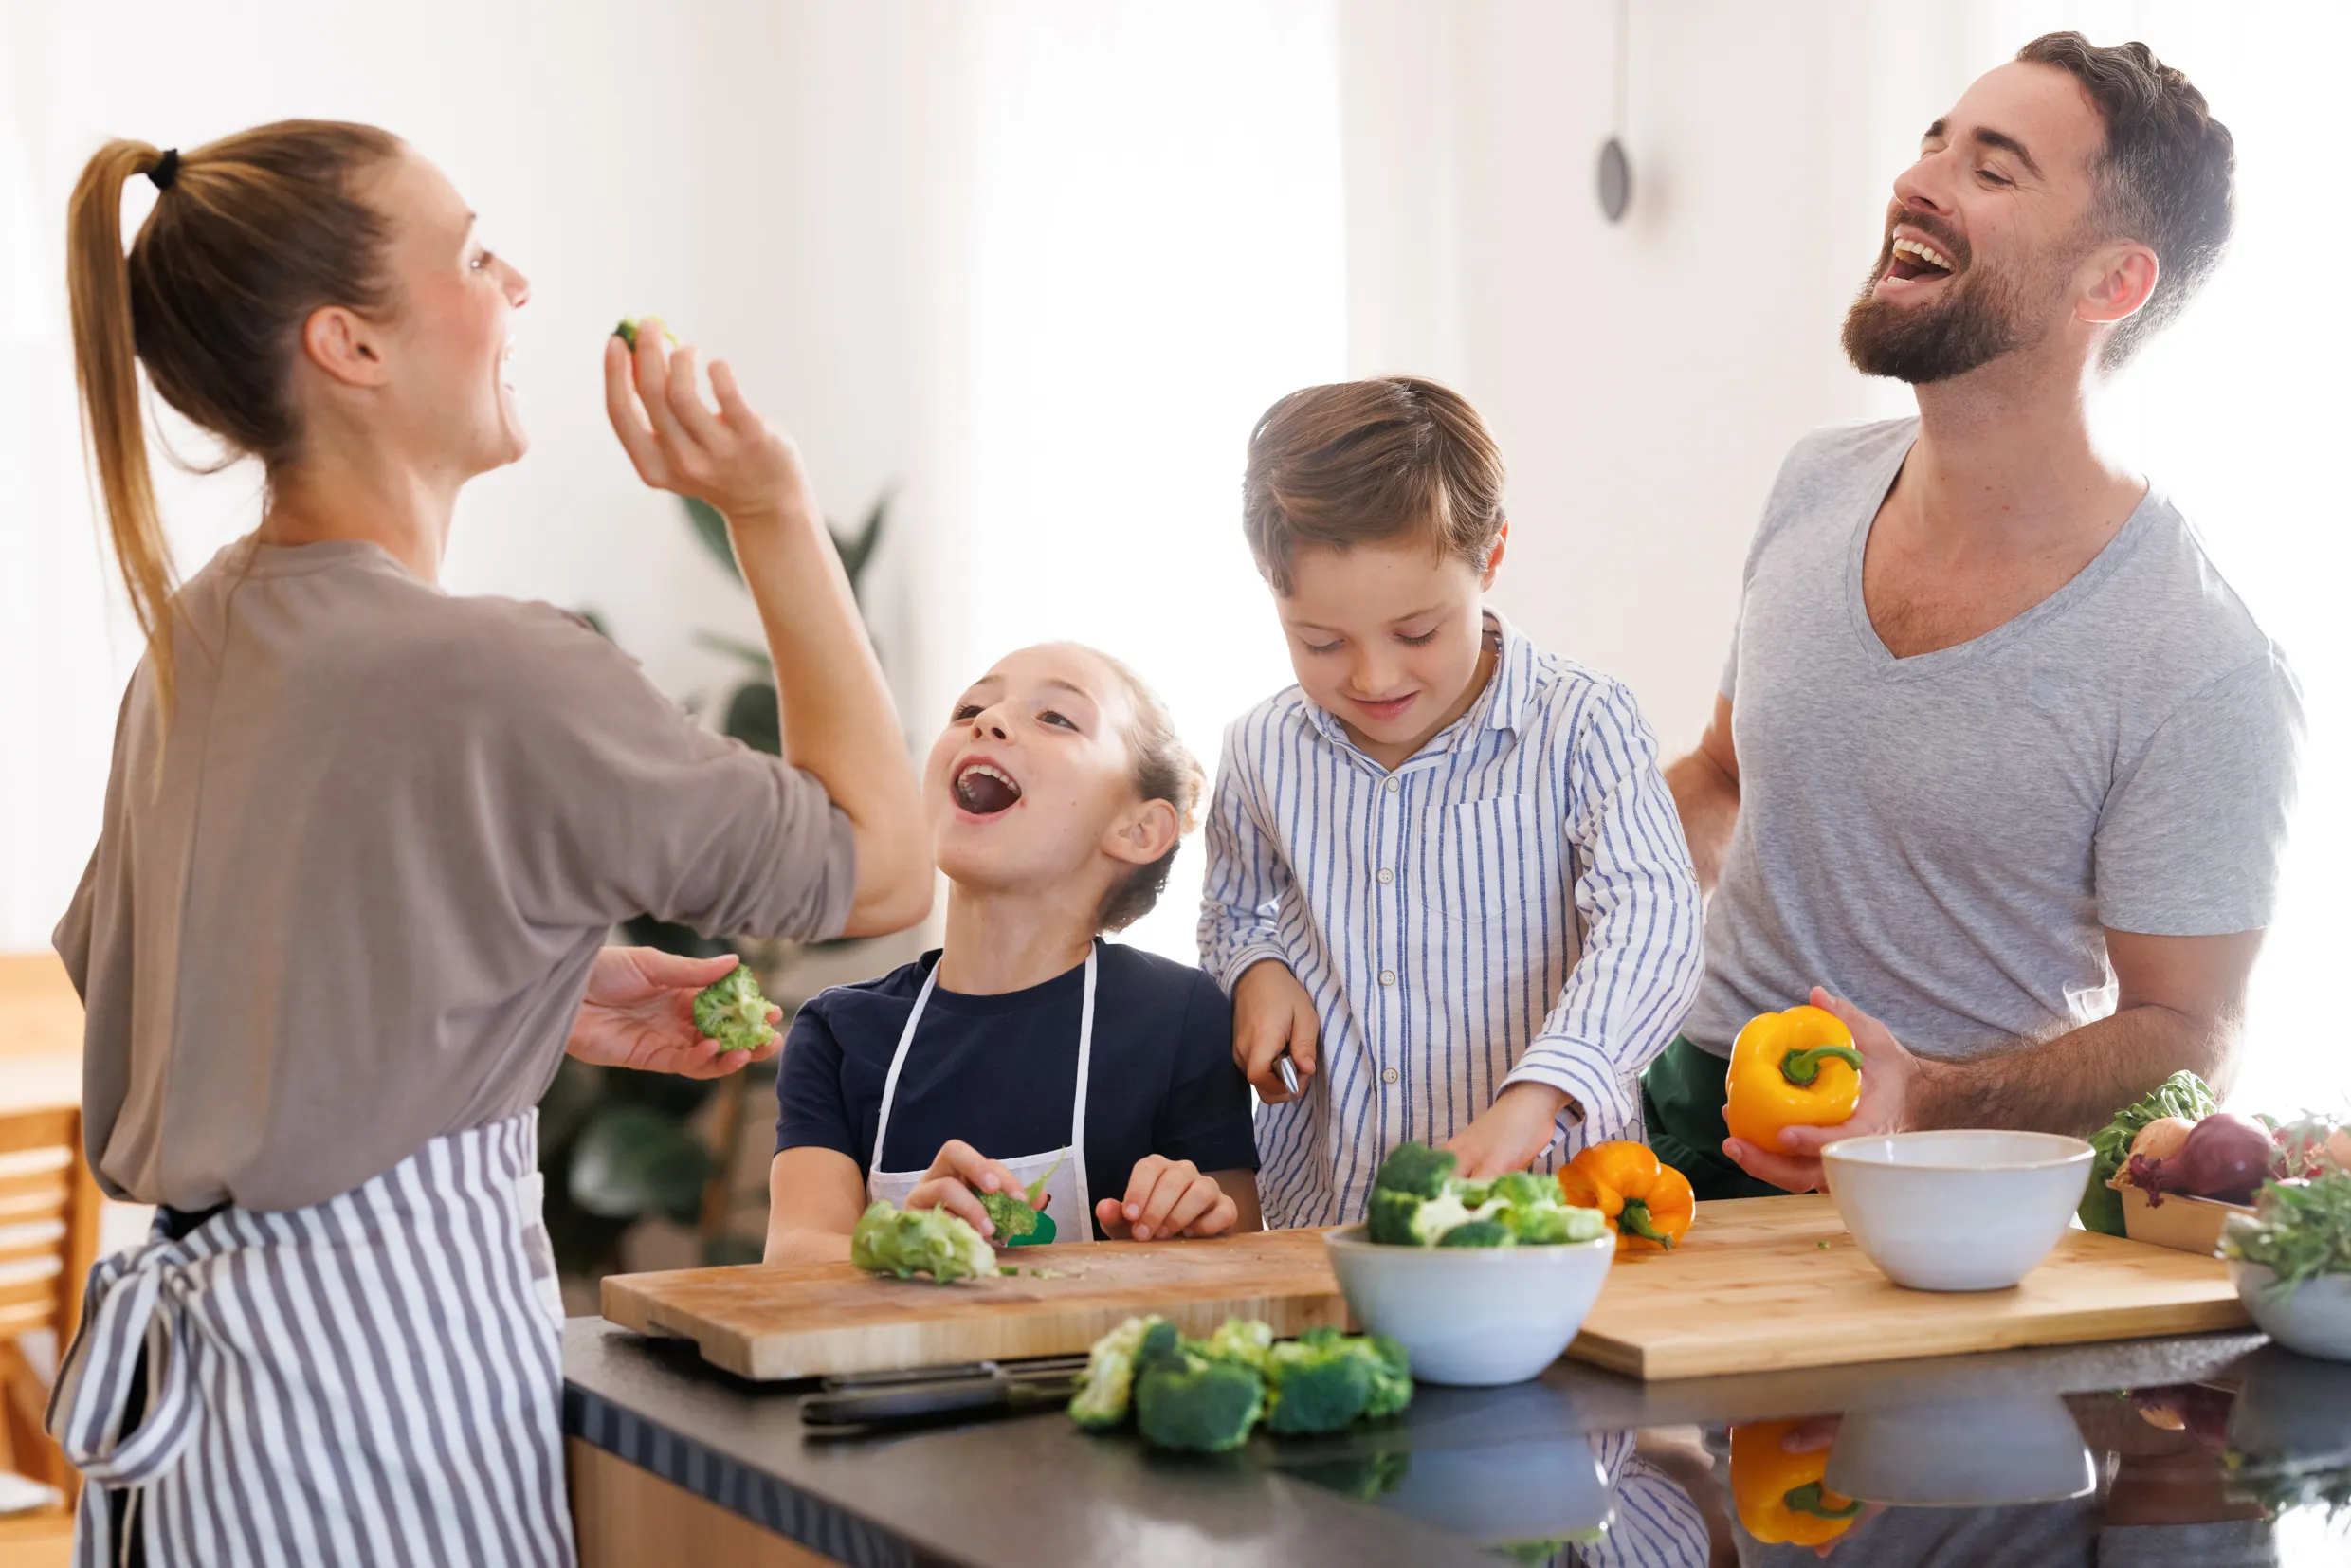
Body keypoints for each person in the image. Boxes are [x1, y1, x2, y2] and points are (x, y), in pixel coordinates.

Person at [49, 123, 929, 1564]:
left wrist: (530, 983)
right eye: (471, 254)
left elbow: (174, 982)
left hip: (199, 1441)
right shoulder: (498, 670)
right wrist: (766, 507)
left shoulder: (197, 637)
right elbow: (881, 862)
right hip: (370, 1418)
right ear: (351, 345)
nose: (515, 283)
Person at [1644, 33, 2303, 1200]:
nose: (1916, 182)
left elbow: (2189, 1030)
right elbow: (1720, 775)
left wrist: (1929, 1099)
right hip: (1679, 1127)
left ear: (2112, 283)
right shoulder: (1815, 481)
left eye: (1991, 171)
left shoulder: (2200, 659)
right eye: (1930, 144)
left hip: (1952, 1188)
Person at [1199, 377, 1705, 1229]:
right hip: (1327, 1218)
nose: (1374, 677)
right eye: (1320, 642)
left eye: (1417, 632)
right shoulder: (1261, 748)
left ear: (1491, 558)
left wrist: (1544, 1092)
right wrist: (1257, 970)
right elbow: (1232, 911)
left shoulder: (1582, 722)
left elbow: (1653, 917)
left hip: (1557, 1213)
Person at [768, 643, 1262, 1258]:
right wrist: (905, 1241)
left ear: (1138, 830)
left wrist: (1187, 1221)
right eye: (970, 707)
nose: (987, 719)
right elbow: (793, 1255)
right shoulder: (839, 1032)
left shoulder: (1186, 1017)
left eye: (1056, 717)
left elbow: (1239, 1259)